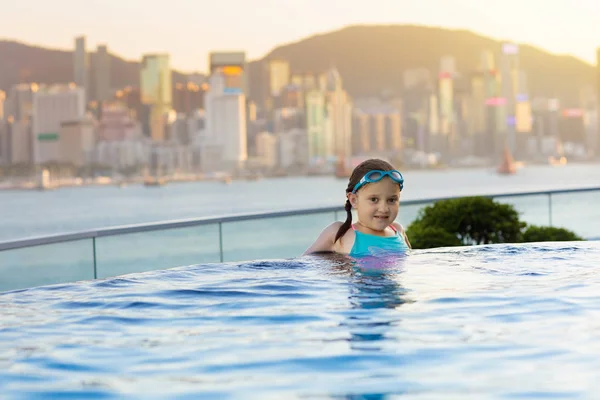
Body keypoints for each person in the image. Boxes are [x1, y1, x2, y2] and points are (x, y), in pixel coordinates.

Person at [303, 158, 411, 257]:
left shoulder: (398, 230)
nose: (384, 209)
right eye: (374, 199)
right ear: (354, 200)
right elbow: (302, 265)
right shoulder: (339, 233)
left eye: (392, 200)